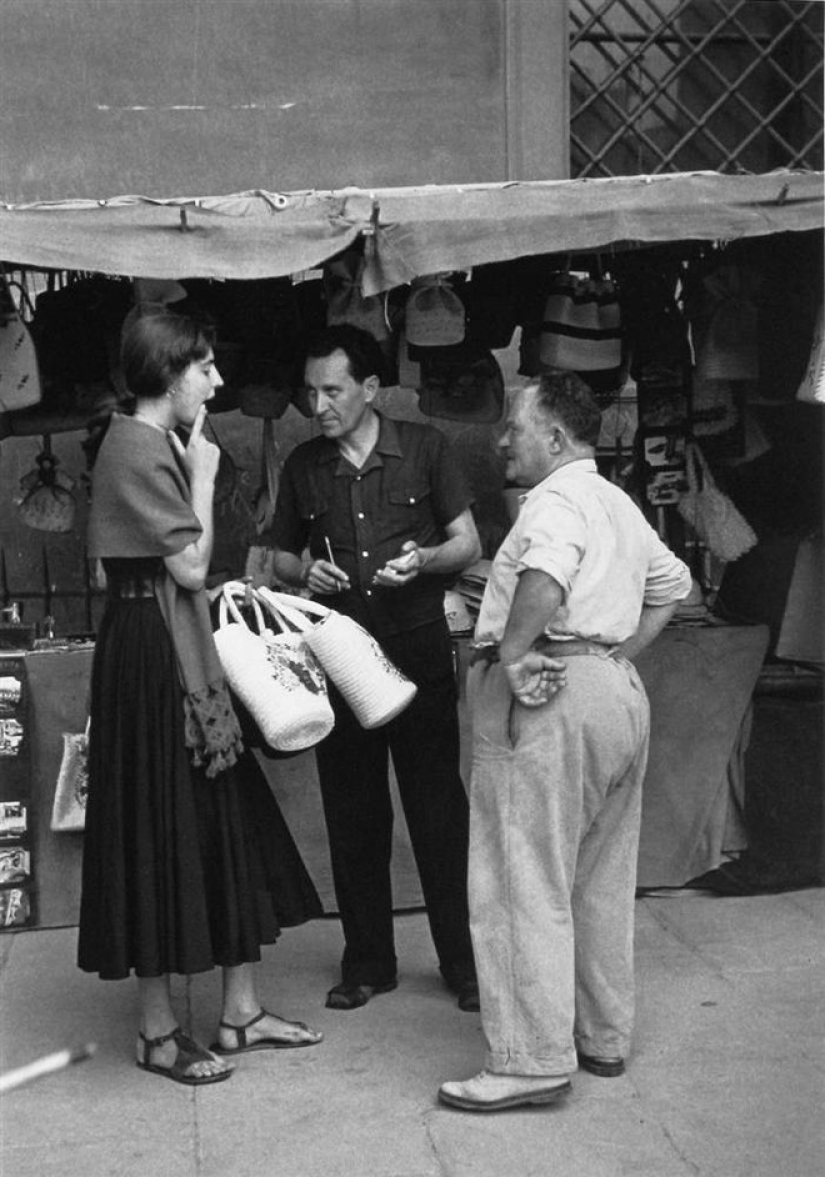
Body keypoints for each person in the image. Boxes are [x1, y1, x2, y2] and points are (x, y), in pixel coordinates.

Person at [78, 313, 324, 1086]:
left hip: (172, 639)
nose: (217, 383)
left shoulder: (157, 441)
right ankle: (156, 1031)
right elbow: (188, 565)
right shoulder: (134, 445)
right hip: (153, 650)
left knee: (221, 813)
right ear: (168, 371)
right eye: (206, 368)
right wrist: (207, 476)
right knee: (158, 822)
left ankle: (239, 1012)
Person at [438, 371, 691, 1111]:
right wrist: (607, 659)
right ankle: (600, 1036)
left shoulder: (553, 500)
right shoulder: (616, 500)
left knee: (519, 877)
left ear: (553, 437)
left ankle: (529, 1060)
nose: (501, 441)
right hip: (611, 692)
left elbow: (547, 574)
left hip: (547, 692)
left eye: (514, 428)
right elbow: (672, 587)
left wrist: (516, 654)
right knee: (597, 877)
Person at [268, 324, 481, 1012]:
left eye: (332, 390)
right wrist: (305, 569)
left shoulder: (426, 447)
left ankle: (464, 964)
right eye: (310, 391)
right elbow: (276, 556)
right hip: (340, 659)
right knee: (353, 814)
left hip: (417, 654)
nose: (318, 405)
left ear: (369, 387)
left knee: (438, 811)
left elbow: (468, 543)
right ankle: (366, 963)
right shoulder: (304, 465)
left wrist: (425, 560)